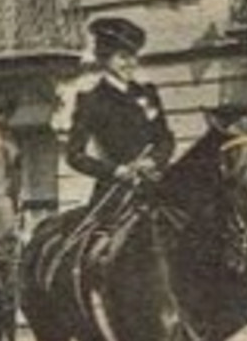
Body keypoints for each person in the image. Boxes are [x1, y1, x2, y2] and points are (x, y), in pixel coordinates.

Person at [64, 16, 174, 210]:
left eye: (133, 56)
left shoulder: (147, 93)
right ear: (105, 58)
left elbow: (165, 138)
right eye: (122, 57)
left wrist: (154, 160)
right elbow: (75, 155)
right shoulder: (91, 100)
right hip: (115, 192)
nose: (130, 63)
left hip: (156, 184)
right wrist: (116, 171)